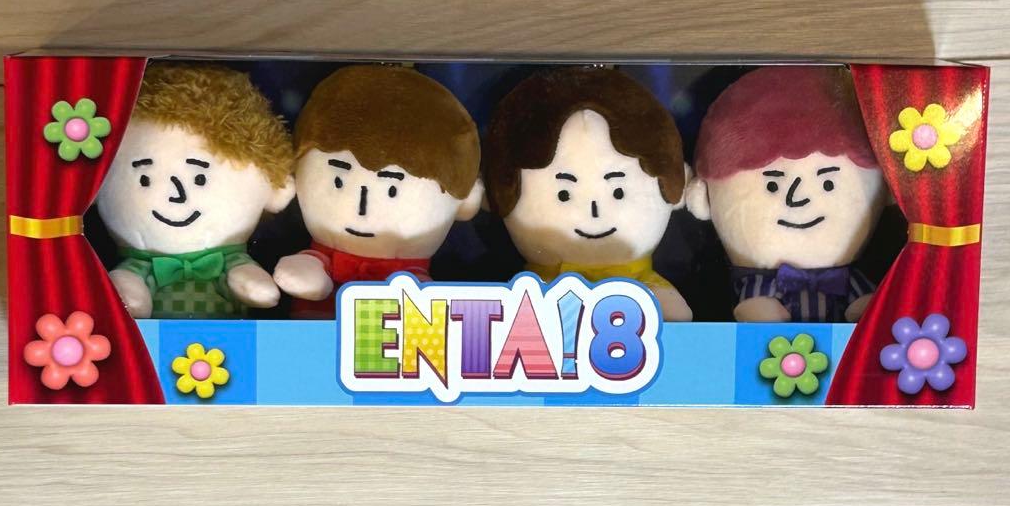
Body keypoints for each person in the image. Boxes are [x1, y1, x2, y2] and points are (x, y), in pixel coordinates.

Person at [484, 67, 692, 321]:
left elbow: (678, 321)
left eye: (618, 191)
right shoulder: (531, 294)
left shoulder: (651, 290)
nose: (594, 210)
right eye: (564, 194)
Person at [274, 65, 482, 317]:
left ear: (466, 202)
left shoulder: (415, 284)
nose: (362, 207)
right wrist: (310, 275)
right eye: (339, 180)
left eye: (392, 190)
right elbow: (302, 278)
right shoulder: (321, 263)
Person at [685, 65, 888, 322]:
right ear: (703, 199)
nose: (799, 199)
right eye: (772, 185)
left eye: (827, 184)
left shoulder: (850, 283)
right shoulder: (761, 287)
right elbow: (753, 307)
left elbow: (868, 307)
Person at [97, 64, 295, 318]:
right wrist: (130, 293)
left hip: (232, 342)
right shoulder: (139, 268)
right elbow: (129, 296)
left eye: (199, 178)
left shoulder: (230, 265)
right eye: (146, 178)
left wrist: (250, 283)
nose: (176, 195)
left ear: (274, 189)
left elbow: (255, 289)